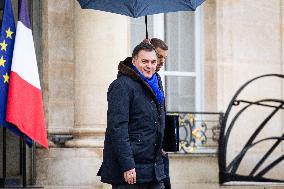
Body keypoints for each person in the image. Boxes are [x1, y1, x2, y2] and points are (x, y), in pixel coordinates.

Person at [98, 42, 166, 189]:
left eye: (153, 62)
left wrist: (163, 141)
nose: (150, 66)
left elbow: (157, 119)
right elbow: (117, 129)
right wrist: (127, 165)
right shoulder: (122, 86)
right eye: (144, 61)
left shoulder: (156, 84)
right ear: (134, 61)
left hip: (154, 168)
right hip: (131, 171)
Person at [147, 38, 171, 189]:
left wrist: (166, 141)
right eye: (159, 56)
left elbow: (161, 112)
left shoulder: (158, 78)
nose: (162, 61)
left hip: (160, 149)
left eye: (164, 58)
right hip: (147, 149)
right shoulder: (138, 78)